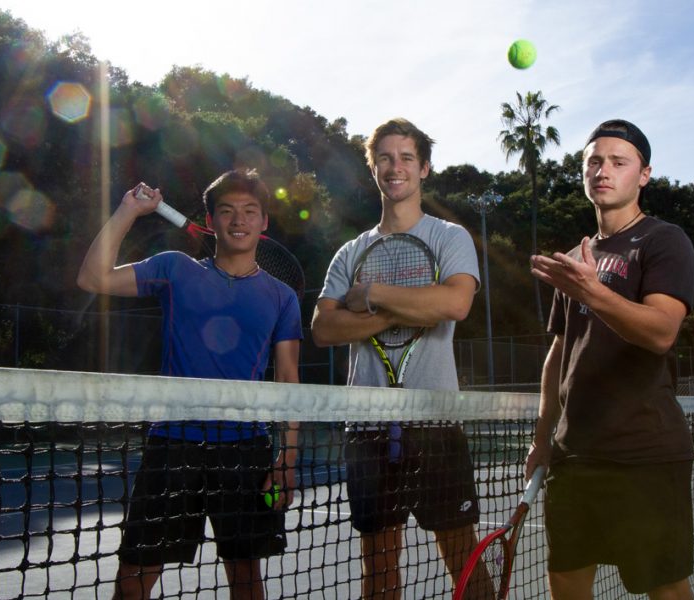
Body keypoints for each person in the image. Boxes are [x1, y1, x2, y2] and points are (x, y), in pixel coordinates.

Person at [77, 169, 301, 600]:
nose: (239, 220)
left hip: (245, 452)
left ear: (263, 222)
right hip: (172, 447)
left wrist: (287, 461)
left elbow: (289, 381)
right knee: (133, 581)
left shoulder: (281, 297)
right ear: (211, 219)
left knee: (247, 581)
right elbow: (93, 279)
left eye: (250, 211)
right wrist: (129, 210)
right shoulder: (173, 269)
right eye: (227, 211)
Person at [311, 118, 493, 599]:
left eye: (406, 158)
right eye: (385, 158)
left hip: (435, 421)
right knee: (380, 568)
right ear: (373, 168)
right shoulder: (350, 252)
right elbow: (324, 327)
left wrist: (370, 295)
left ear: (424, 168)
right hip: (367, 428)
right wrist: (409, 310)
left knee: (462, 556)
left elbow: (454, 304)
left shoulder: (449, 238)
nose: (396, 167)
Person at [524, 120, 694, 600]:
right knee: (566, 583)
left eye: (619, 162)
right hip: (574, 456)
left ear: (643, 174)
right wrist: (543, 439)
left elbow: (661, 331)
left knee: (664, 589)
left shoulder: (665, 241)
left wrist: (592, 291)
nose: (604, 170)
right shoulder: (580, 256)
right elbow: (560, 354)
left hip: (644, 454)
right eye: (594, 161)